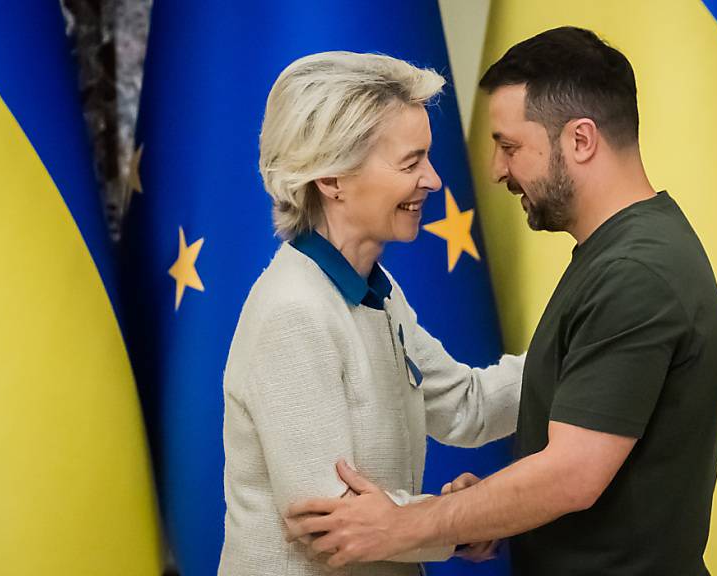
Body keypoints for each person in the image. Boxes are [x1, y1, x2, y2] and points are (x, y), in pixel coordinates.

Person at [286, 26, 717, 576]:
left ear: (581, 140)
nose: (495, 170)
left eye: (510, 146)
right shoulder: (622, 253)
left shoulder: (633, 272)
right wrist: (482, 510)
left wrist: (416, 523)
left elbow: (571, 475)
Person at [218, 51, 523, 576]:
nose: (432, 180)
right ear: (331, 177)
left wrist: (581, 351)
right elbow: (333, 526)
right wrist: (459, 520)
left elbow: (466, 405)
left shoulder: (376, 295)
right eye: (411, 162)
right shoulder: (294, 312)